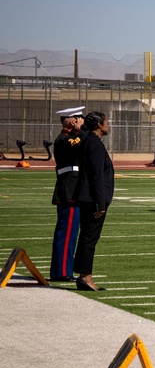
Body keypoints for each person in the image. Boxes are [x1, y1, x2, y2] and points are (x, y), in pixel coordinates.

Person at [74, 111, 114, 291]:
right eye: (106, 122)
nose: (108, 124)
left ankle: (83, 275)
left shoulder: (88, 140)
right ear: (99, 124)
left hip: (87, 197)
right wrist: (101, 202)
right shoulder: (94, 144)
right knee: (90, 239)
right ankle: (85, 277)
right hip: (93, 199)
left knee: (86, 238)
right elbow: (96, 176)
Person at [50, 106, 86, 281]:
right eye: (79, 119)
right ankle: (62, 272)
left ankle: (62, 270)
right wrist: (82, 131)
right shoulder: (65, 139)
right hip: (69, 191)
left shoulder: (69, 138)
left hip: (72, 191)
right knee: (67, 234)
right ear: (73, 121)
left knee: (69, 234)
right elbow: (78, 143)